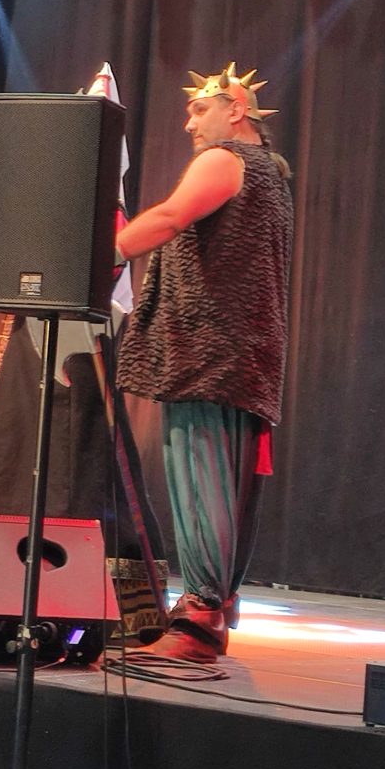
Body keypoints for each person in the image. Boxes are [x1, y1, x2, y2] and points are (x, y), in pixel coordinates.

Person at [116, 63, 293, 662]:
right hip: (240, 354)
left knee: (200, 480)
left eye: (199, 110)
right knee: (221, 484)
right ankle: (211, 606)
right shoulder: (272, 176)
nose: (189, 123)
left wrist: (101, 253)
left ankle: (200, 619)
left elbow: (170, 218)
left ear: (235, 109)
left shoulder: (227, 159)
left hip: (207, 352)